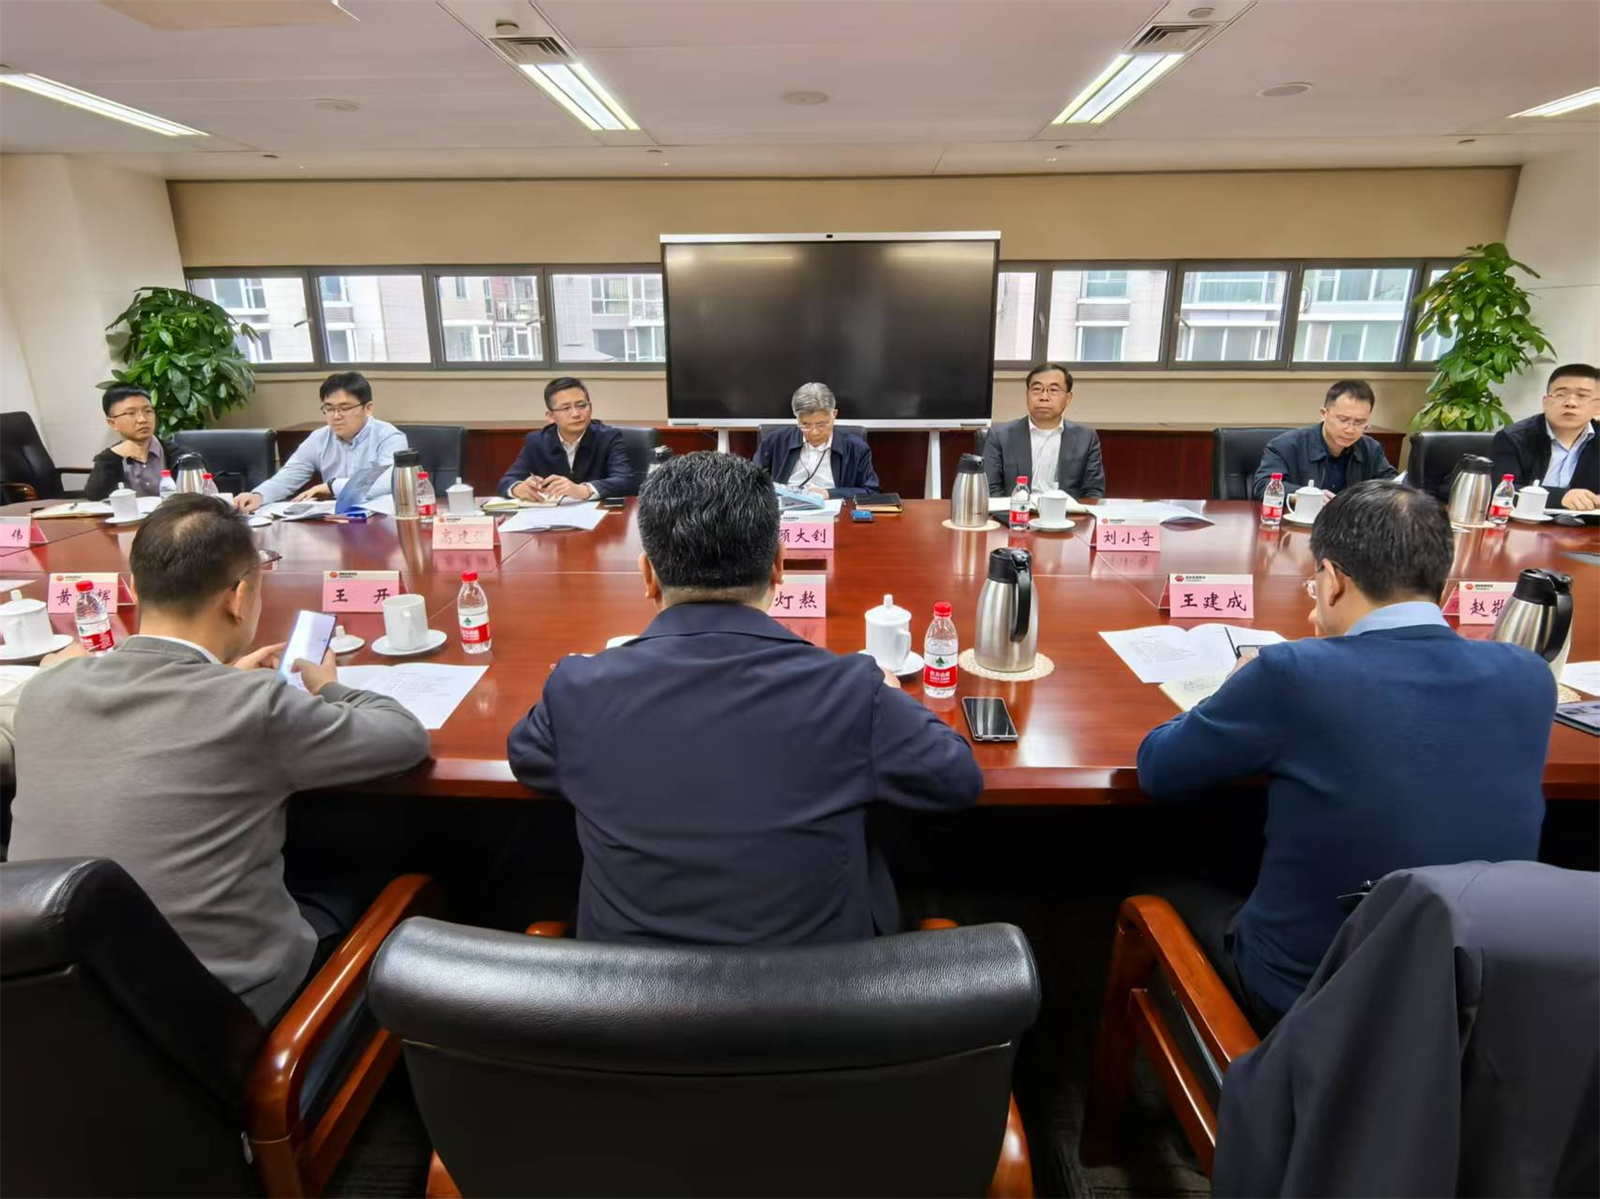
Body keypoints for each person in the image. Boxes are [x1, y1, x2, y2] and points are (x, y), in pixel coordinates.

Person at [507, 451, 982, 945]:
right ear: (779, 565)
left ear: (648, 575)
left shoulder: (580, 688)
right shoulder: (852, 691)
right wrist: (887, 694)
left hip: (631, 990)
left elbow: (529, 759)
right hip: (823, 988)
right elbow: (956, 780)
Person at [1136, 481, 1552, 1029]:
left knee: (1158, 880)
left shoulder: (1293, 673)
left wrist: (1233, 686)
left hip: (1312, 999)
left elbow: (1158, 768)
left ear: (1332, 581)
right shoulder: (1529, 676)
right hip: (1464, 998)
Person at [8, 494, 430, 1022]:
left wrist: (222, 680)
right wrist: (328, 685)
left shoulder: (45, 690)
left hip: (54, 1011)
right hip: (217, 1018)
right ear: (240, 597)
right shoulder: (255, 705)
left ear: (134, 588)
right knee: (384, 871)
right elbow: (403, 737)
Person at [234, 372, 407, 514]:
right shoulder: (319, 438)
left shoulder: (389, 437)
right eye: (329, 408)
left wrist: (331, 487)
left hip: (381, 520)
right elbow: (289, 475)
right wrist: (258, 495)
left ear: (368, 408)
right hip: (339, 519)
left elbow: (387, 481)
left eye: (345, 408)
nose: (336, 416)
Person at [1251, 380, 1398, 499]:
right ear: (1324, 414)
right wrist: (1304, 496)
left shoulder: (1371, 449)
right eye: (1343, 420)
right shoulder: (1285, 446)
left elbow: (1392, 485)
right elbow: (1263, 486)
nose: (1350, 429)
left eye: (1359, 422)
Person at [497, 377, 633, 501]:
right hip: (550, 514)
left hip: (599, 513)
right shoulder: (536, 441)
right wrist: (519, 488)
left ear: (590, 408)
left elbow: (624, 481)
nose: (576, 414)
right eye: (566, 408)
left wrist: (583, 490)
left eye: (582, 406)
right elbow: (507, 481)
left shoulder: (608, 437)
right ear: (550, 416)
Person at [982, 363, 1105, 499]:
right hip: (1016, 510)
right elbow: (991, 489)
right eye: (1037, 389)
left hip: (1067, 511)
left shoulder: (1086, 438)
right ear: (1027, 394)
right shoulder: (1000, 436)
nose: (1044, 397)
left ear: (1068, 398)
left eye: (1053, 390)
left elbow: (1093, 491)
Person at [1490, 363, 1599, 512]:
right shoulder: (1513, 439)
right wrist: (1560, 498)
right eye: (1560, 394)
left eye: (1582, 396)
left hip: (1585, 524)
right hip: (1523, 521)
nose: (1570, 403)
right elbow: (1500, 490)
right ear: (1545, 402)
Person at [752, 382, 880, 500]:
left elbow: (871, 492)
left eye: (821, 424)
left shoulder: (856, 448)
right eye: (805, 425)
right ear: (797, 418)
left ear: (834, 415)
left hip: (835, 509)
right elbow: (751, 484)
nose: (814, 432)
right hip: (784, 511)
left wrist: (829, 494)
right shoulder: (774, 442)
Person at [84, 386, 174, 500]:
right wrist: (112, 456)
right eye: (131, 413)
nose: (143, 419)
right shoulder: (110, 458)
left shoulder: (175, 454)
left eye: (148, 411)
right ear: (113, 423)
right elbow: (94, 496)